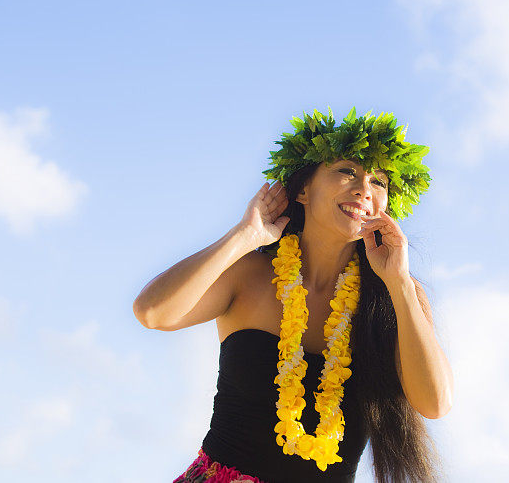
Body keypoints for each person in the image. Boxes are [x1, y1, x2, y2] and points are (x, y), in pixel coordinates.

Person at [133, 107, 453, 483]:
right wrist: (244, 237)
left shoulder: (397, 295)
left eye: (378, 182)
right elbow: (153, 312)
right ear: (303, 189)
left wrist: (398, 283)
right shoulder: (250, 273)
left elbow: (435, 403)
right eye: (346, 171)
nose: (364, 188)